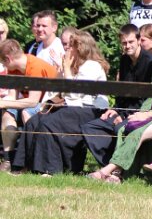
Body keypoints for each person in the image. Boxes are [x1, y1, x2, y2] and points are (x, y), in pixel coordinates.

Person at [11, 31, 109, 175]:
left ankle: (49, 169)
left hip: (88, 110)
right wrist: (63, 70)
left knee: (48, 124)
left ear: (81, 48)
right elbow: (55, 90)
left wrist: (67, 69)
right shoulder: (73, 65)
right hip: (70, 108)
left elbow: (75, 94)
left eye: (71, 46)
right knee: (33, 122)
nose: (67, 49)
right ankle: (24, 166)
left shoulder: (92, 66)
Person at [80, 24, 152, 168]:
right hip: (123, 110)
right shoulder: (124, 60)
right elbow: (122, 91)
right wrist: (116, 110)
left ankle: (119, 168)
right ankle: (109, 164)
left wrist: (128, 115)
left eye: (131, 42)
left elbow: (149, 98)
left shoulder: (151, 61)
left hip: (142, 112)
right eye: (124, 43)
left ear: (139, 40)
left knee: (120, 129)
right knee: (90, 128)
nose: (127, 46)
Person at [0, 41, 59, 170]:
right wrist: (4, 103)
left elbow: (33, 101)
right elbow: (12, 97)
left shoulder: (35, 66)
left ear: (8, 59)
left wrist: (3, 102)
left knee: (26, 111)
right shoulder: (14, 69)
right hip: (32, 104)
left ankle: (29, 160)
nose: (4, 66)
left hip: (48, 105)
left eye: (3, 63)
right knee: (7, 113)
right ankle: (8, 159)